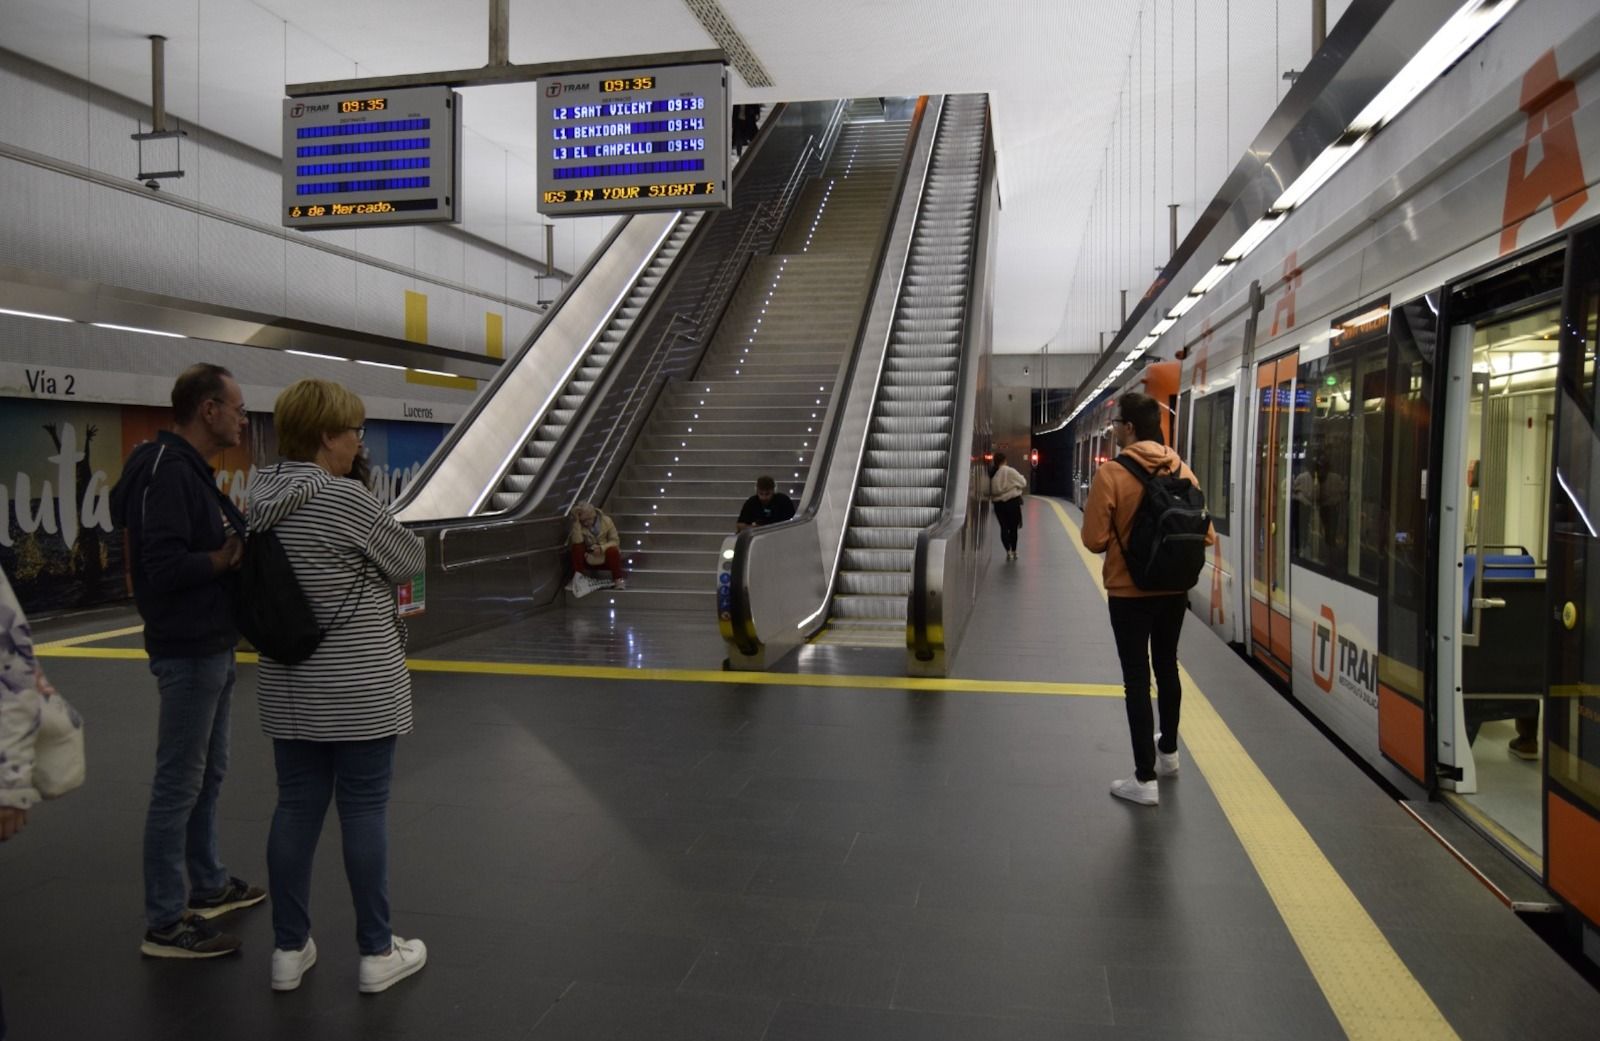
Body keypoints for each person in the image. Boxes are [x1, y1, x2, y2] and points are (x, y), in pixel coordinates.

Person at [244, 379, 428, 994]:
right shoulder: (344, 500)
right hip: (360, 683)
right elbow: (409, 560)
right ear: (327, 436)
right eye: (354, 431)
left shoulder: (257, 496)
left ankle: (288, 949)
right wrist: (365, 499)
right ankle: (377, 952)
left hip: (289, 682)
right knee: (364, 808)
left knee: (295, 807)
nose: (358, 441)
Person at [108, 363, 265, 959]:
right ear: (208, 410)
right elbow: (164, 566)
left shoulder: (185, 472)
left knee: (206, 775)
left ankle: (207, 884)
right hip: (188, 647)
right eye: (238, 407)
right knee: (178, 783)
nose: (244, 419)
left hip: (211, 642)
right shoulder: (169, 474)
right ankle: (166, 922)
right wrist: (223, 562)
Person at [1081, 392, 1215, 807]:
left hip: (1129, 592)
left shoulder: (1112, 475)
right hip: (1174, 591)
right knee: (1167, 666)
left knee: (1137, 681)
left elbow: (1092, 540)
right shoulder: (1181, 468)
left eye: (1117, 423)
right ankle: (1169, 753)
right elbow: (1205, 534)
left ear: (1130, 429)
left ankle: (1144, 778)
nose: (1114, 429)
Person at [569, 502, 625, 589]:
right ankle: (578, 579)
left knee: (613, 550)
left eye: (588, 519)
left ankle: (618, 579)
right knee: (577, 547)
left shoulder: (606, 521)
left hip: (605, 556)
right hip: (589, 557)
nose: (586, 523)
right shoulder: (579, 525)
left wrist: (602, 548)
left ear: (594, 515)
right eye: (583, 520)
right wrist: (576, 522)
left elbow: (615, 541)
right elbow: (577, 541)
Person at [988, 453, 1027, 560]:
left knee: (1004, 528)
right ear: (1005, 460)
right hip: (1012, 503)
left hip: (999, 505)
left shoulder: (992, 474)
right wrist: (1016, 486)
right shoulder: (1009, 471)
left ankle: (1008, 551)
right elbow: (1023, 482)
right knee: (1013, 528)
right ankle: (1014, 551)